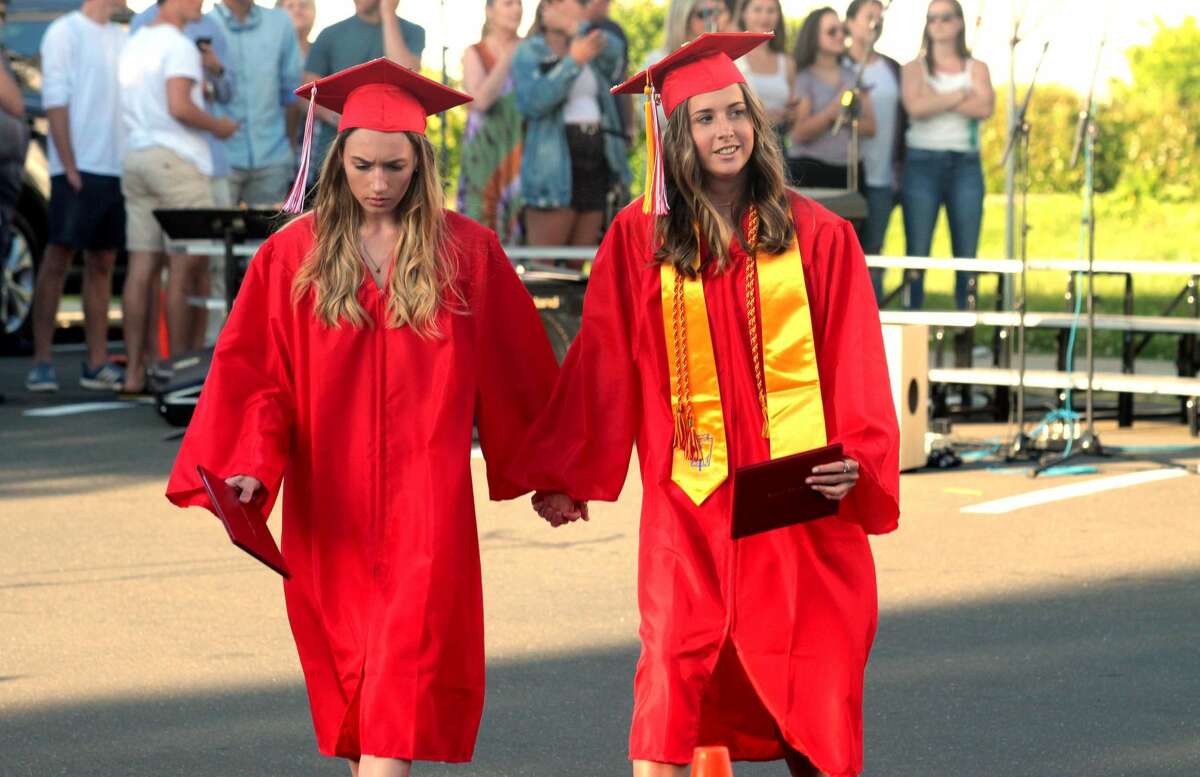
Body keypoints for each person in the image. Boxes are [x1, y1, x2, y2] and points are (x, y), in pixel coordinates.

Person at [518, 32, 899, 777]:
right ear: (676, 137)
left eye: (736, 113)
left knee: (812, 674)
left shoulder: (820, 238)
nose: (725, 131)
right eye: (705, 119)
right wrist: (567, 469)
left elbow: (855, 363)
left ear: (756, 122)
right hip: (687, 500)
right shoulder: (639, 238)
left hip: (793, 503)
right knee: (671, 669)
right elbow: (602, 361)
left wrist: (856, 458)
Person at [166, 59, 558, 776]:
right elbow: (259, 378)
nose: (379, 183)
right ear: (336, 158)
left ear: (423, 161)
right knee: (360, 684)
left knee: (399, 680)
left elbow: (517, 370)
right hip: (329, 513)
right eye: (363, 165)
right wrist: (250, 467)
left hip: (426, 509)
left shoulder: (465, 252)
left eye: (397, 167)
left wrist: (550, 475)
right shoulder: (292, 255)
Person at [117, 0, 239, 394]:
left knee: (143, 265)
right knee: (189, 265)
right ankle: (182, 373)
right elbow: (179, 106)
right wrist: (218, 126)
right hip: (177, 161)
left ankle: (137, 372)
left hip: (136, 156)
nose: (202, 3)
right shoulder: (179, 44)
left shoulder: (135, 41)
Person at [25, 0, 126, 394]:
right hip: (76, 168)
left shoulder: (122, 37)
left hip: (115, 168)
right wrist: (68, 165)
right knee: (58, 257)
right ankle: (42, 361)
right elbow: (56, 101)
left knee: (103, 262)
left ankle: (96, 362)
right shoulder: (64, 31)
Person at [899, 0, 994, 310]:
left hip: (965, 163)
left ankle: (966, 325)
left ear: (958, 23)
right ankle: (911, 320)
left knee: (967, 252)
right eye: (932, 18)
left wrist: (935, 98)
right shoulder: (914, 68)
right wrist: (959, 95)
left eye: (945, 17)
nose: (938, 24)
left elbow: (984, 108)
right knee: (917, 250)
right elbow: (915, 107)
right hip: (922, 163)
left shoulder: (977, 67)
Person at [512, 0, 629, 247]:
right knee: (547, 267)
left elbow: (616, 54)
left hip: (597, 161)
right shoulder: (529, 51)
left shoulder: (588, 41)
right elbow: (533, 102)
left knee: (582, 265)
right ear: (547, 8)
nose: (578, 7)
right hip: (553, 167)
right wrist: (572, 63)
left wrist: (578, 29)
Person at [303, 0, 426, 179]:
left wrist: (387, 13)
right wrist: (345, 120)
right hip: (337, 153)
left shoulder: (413, 32)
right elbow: (309, 91)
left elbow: (406, 73)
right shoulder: (330, 34)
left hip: (394, 157)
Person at [210, 0, 303, 206]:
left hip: (272, 155)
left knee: (268, 236)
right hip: (221, 156)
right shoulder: (206, 24)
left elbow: (292, 92)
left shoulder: (280, 23)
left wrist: (286, 145)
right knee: (216, 234)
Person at [844, 0, 905, 302]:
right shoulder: (839, 65)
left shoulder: (892, 68)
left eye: (879, 19)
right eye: (868, 17)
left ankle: (876, 322)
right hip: (848, 176)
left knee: (874, 254)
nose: (874, 25)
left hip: (882, 176)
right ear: (850, 22)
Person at [457, 0, 524, 242]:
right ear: (489, 10)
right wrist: (507, 58)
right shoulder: (474, 52)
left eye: (519, 4)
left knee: (519, 226)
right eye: (508, 3)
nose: (516, 9)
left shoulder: (531, 50)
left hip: (519, 150)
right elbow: (480, 101)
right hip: (483, 154)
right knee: (480, 225)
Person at [788, 6, 874, 189]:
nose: (840, 35)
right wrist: (832, 112)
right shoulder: (803, 78)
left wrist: (844, 119)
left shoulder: (853, 76)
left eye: (842, 29)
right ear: (814, 36)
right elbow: (799, 133)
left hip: (850, 171)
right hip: (811, 171)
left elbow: (871, 128)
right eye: (831, 31)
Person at [734, 0, 794, 154]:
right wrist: (762, 115)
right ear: (743, 14)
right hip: (744, 144)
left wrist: (789, 115)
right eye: (758, 9)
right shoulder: (733, 59)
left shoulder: (787, 62)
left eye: (771, 10)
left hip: (779, 146)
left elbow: (793, 109)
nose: (764, 16)